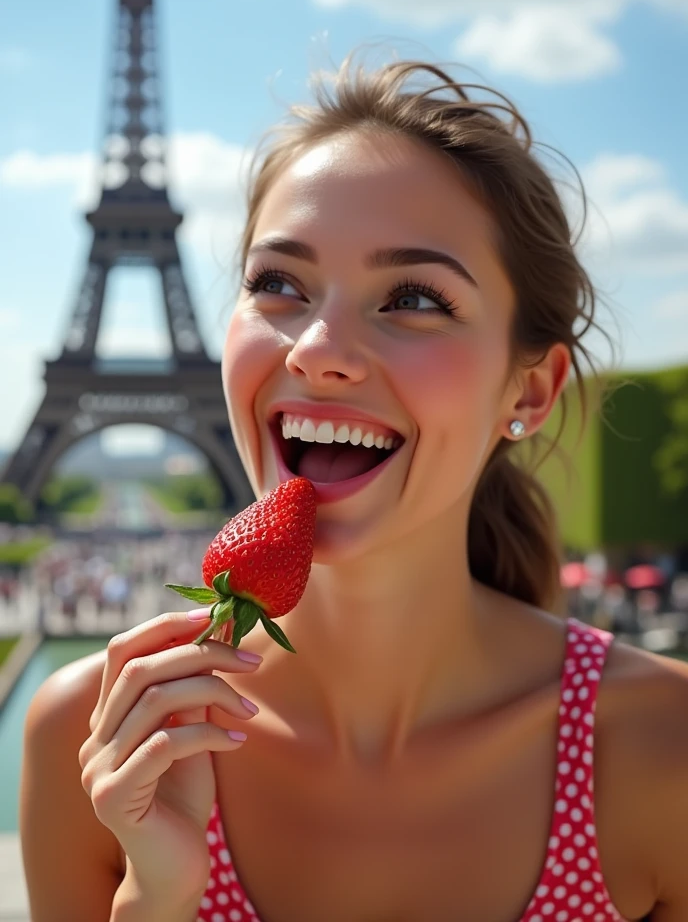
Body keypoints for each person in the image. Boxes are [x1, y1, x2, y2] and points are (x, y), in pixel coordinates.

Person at [20, 53, 688, 922]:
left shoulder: (665, 745)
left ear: (528, 389)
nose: (316, 347)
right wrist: (157, 895)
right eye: (278, 284)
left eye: (413, 296)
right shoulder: (95, 737)